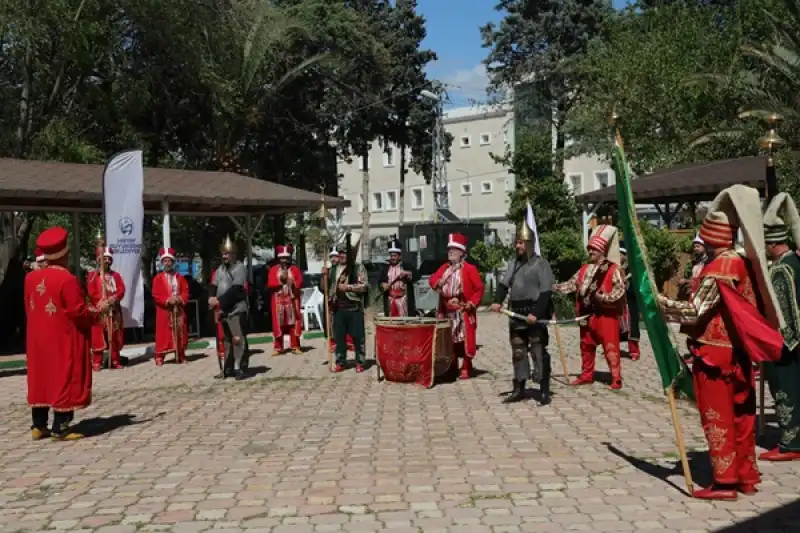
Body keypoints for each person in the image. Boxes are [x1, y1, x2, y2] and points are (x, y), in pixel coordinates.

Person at [659, 185, 783, 500]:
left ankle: (725, 482)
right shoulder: (743, 262)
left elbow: (696, 309)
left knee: (718, 416)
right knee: (742, 415)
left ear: (711, 237)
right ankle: (745, 476)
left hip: (715, 354)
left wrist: (659, 303)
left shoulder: (721, 267)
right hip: (739, 352)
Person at [26, 227, 98, 440]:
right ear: (64, 254)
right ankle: (60, 426)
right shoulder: (67, 279)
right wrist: (97, 312)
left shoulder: (30, 278)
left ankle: (38, 425)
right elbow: (78, 312)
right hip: (62, 337)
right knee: (64, 376)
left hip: (37, 338)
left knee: (41, 377)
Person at [553, 225, 625, 389]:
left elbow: (620, 289)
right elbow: (571, 284)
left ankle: (616, 378)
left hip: (605, 315)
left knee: (610, 346)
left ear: (601, 250)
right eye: (589, 249)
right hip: (586, 314)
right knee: (586, 346)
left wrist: (605, 298)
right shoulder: (584, 269)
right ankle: (586, 375)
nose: (590, 252)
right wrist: (555, 288)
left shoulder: (613, 268)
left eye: (593, 249)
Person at [490, 220, 554, 405]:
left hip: (534, 314)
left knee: (538, 350)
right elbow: (504, 285)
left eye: (520, 242)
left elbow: (546, 292)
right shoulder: (514, 264)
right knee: (518, 352)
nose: (517, 246)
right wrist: (497, 301)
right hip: (516, 315)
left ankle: (544, 390)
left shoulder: (541, 264)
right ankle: (519, 389)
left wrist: (537, 313)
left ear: (529, 243)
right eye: (516, 242)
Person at [761, 192, 800, 461]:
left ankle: (791, 442)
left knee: (786, 389)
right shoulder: (795, 261)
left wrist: (777, 342)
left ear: (773, 242)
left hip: (785, 343)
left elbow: (783, 311)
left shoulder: (781, 269)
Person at [430, 233, 484, 380]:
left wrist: (471, 303)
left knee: (464, 340)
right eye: (449, 249)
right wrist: (438, 282)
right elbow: (433, 279)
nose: (450, 252)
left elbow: (479, 288)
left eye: (454, 249)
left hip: (462, 310)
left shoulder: (469, 269)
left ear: (461, 252)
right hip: (446, 311)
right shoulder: (444, 268)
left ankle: (466, 366)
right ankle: (451, 366)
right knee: (449, 340)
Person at [208, 236, 248, 380]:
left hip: (236, 308)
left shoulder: (240, 268)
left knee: (237, 338)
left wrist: (219, 301)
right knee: (226, 341)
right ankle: (227, 368)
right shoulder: (220, 269)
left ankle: (240, 368)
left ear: (233, 254)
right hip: (223, 310)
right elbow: (213, 285)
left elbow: (236, 290)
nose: (224, 256)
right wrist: (211, 297)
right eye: (223, 254)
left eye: (227, 253)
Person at [331, 234, 369, 372]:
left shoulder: (358, 268)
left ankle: (360, 362)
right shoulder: (334, 268)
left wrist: (348, 288)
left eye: (345, 253)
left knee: (358, 338)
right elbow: (327, 288)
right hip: (339, 309)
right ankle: (341, 362)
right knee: (339, 338)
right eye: (340, 253)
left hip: (354, 308)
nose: (342, 255)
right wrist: (323, 277)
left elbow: (364, 286)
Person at [87, 247, 126, 371]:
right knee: (98, 336)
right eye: (105, 259)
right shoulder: (93, 276)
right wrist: (101, 302)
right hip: (99, 310)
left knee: (113, 336)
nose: (107, 261)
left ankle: (115, 360)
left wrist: (113, 299)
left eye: (109, 259)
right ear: (99, 260)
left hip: (113, 310)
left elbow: (121, 290)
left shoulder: (116, 276)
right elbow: (91, 291)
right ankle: (96, 362)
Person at [152, 247, 189, 366]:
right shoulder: (157, 279)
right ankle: (160, 356)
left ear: (173, 262)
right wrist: (168, 300)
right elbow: (156, 294)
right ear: (162, 262)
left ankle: (181, 354)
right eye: (165, 261)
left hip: (178, 309)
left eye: (169, 261)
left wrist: (178, 299)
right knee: (163, 334)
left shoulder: (180, 277)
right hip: (164, 310)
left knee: (180, 332)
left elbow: (185, 292)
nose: (167, 263)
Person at [267, 244, 303, 356]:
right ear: (279, 258)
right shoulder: (273, 270)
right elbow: (270, 283)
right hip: (278, 300)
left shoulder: (295, 269)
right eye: (282, 258)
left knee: (293, 324)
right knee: (279, 324)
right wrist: (280, 281)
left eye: (286, 258)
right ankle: (278, 347)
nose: (284, 260)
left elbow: (300, 282)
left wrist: (292, 282)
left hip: (292, 300)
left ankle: (295, 346)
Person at [321, 246, 355, 353]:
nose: (333, 259)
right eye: (331, 257)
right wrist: (323, 276)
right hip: (332, 301)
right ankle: (333, 343)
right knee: (331, 322)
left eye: (335, 257)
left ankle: (349, 341)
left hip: (346, 299)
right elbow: (323, 288)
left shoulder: (347, 270)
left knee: (347, 320)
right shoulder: (328, 271)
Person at [378, 237, 420, 317]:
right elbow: (380, 282)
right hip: (390, 301)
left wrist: (408, 273)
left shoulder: (406, 266)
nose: (393, 258)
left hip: (404, 302)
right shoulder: (385, 268)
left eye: (395, 256)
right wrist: (383, 285)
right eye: (391, 256)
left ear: (399, 256)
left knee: (405, 322)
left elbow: (418, 275)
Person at [619, 247, 640, 360]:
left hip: (630, 303)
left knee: (632, 327)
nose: (619, 256)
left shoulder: (632, 270)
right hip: (619, 304)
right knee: (617, 327)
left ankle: (634, 351)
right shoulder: (616, 269)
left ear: (625, 255)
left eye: (621, 254)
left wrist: (626, 283)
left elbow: (635, 288)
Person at [678, 235, 708, 300]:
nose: (695, 248)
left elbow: (703, 279)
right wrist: (686, 280)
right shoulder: (695, 261)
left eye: (698, 246)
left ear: (704, 247)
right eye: (694, 247)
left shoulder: (707, 261)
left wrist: (688, 281)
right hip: (694, 292)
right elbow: (694, 276)